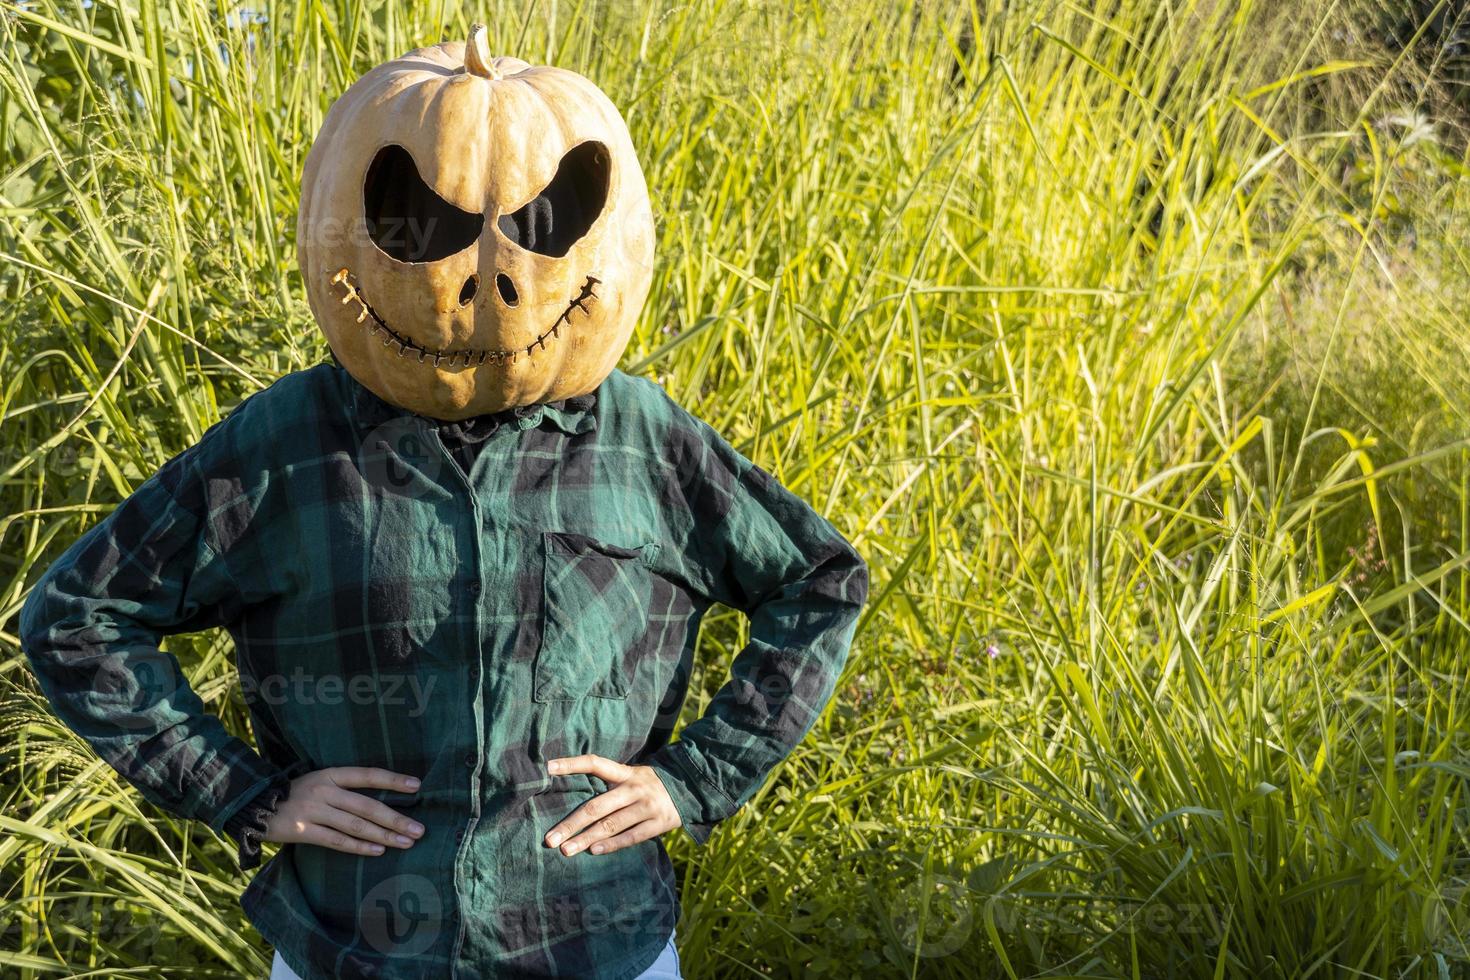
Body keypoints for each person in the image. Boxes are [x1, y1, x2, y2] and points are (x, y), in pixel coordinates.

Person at [19, 26, 867, 980]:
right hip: (354, 947)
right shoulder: (286, 445)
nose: (489, 279)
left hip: (595, 943)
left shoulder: (641, 441)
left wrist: (696, 780)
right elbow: (77, 616)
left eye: (545, 225)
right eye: (424, 224)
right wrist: (244, 793)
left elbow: (819, 581)